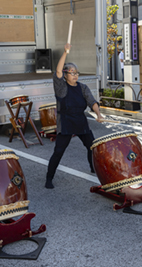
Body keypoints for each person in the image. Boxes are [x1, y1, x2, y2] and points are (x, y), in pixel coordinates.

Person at [45, 43, 104, 189]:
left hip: (80, 121)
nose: (76, 75)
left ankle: (93, 167)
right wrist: (65, 52)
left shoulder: (82, 87)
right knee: (58, 151)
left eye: (77, 72)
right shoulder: (61, 87)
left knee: (93, 146)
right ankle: (49, 178)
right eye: (72, 72)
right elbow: (58, 70)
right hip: (65, 122)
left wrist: (98, 114)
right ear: (65, 75)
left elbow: (92, 101)